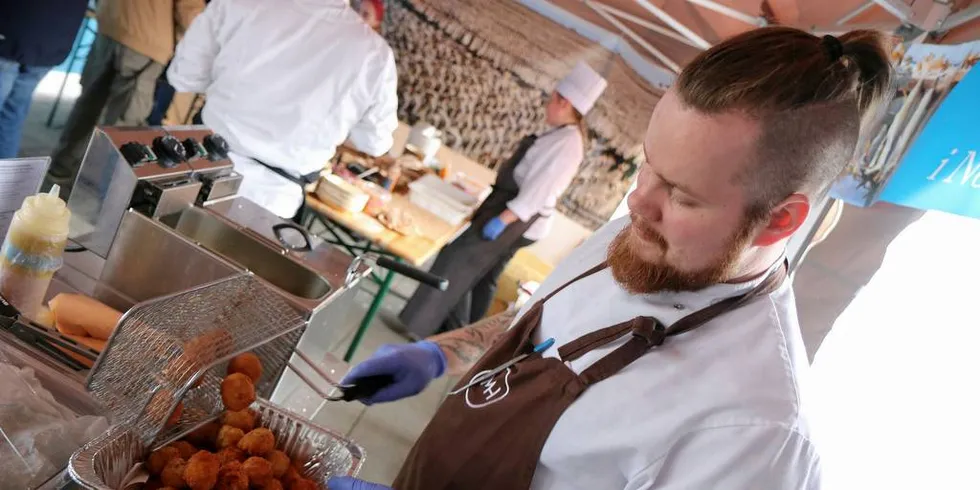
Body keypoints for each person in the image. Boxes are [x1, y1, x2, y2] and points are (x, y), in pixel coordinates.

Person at [329, 26, 892, 490]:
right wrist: (436, 355)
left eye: (682, 194)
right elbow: (546, 320)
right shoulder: (629, 232)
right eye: (648, 166)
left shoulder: (755, 436)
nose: (638, 202)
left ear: (781, 219)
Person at [398, 61, 607, 338]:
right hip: (509, 210)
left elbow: (539, 191)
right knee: (482, 279)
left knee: (457, 260)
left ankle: (426, 330)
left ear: (564, 102)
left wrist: (502, 220)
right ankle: (463, 337)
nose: (547, 105)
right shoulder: (561, 136)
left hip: (515, 218)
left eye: (551, 98)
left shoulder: (568, 144)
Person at [166, 0, 399, 219]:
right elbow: (374, 142)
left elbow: (184, 75)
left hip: (198, 170)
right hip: (271, 202)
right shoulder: (375, 56)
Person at [45, 0, 205, 189]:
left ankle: (60, 169)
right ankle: (103, 190)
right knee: (126, 123)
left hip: (110, 24)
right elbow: (190, 12)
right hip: (147, 41)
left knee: (88, 105)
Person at [0, 1, 89, 158]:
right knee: (13, 113)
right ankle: (5, 178)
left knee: (13, 112)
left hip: (12, 29)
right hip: (54, 40)